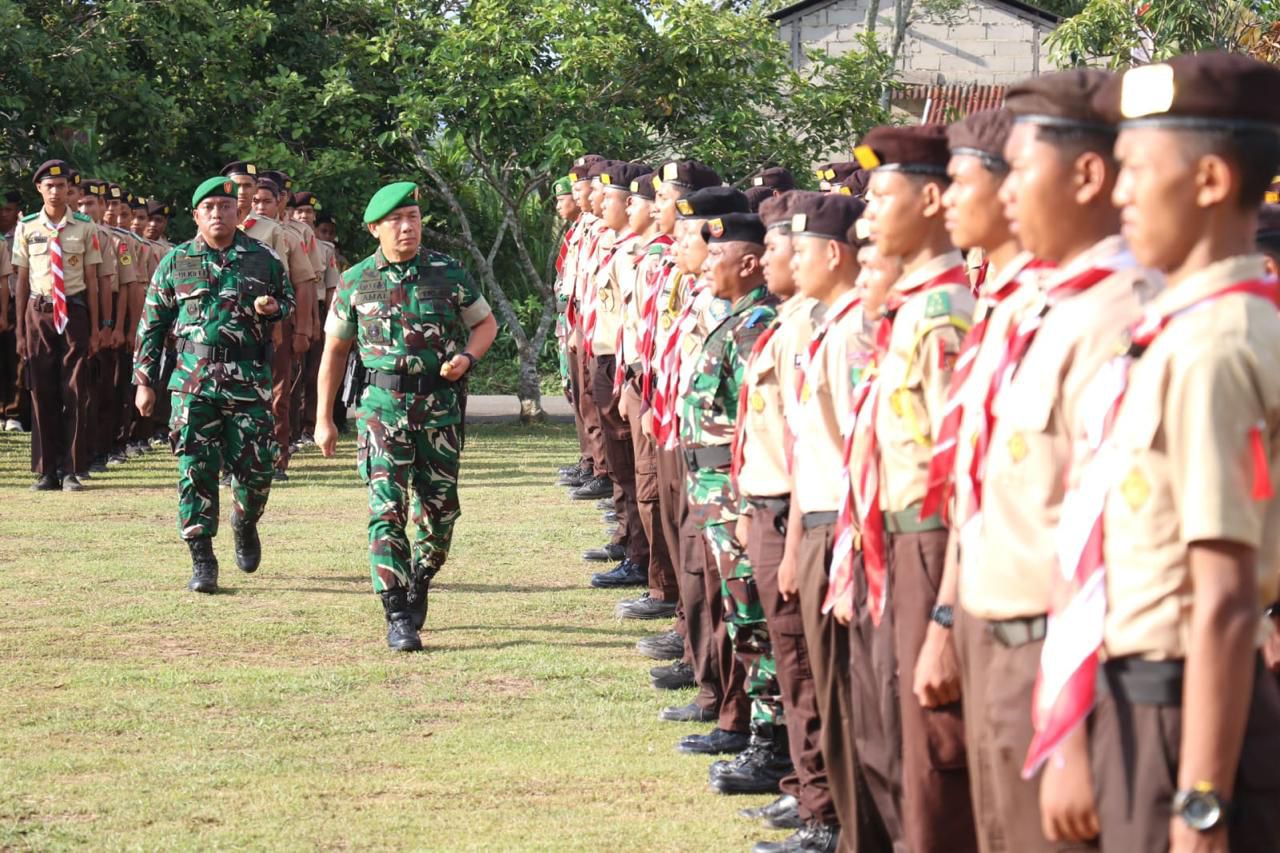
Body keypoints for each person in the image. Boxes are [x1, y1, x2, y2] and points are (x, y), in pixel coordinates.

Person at [1031, 52, 1280, 852]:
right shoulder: (1181, 332)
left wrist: (1201, 798)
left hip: (1184, 712)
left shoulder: (1212, 346)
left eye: (1139, 169)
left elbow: (1224, 596)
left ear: (1209, 180)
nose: (1121, 190)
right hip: (1149, 697)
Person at [856, 124, 979, 853]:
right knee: (900, 738)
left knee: (936, 751)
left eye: (882, 197)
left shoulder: (945, 315)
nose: (868, 216)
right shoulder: (912, 309)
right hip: (897, 537)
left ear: (931, 200)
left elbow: (962, 471)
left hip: (934, 540)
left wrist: (945, 605)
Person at [315, 181, 497, 652]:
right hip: (381, 412)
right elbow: (333, 353)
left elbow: (485, 323)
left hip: (439, 411)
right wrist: (325, 418)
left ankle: (421, 574)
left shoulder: (446, 271)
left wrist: (468, 359)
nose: (406, 227)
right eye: (396, 220)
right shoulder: (355, 281)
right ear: (376, 228)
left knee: (440, 513)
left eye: (413, 218)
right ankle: (396, 610)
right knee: (386, 508)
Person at [133, 176, 294, 593]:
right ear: (196, 215)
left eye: (225, 206)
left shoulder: (263, 258)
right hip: (192, 382)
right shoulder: (176, 261)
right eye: (209, 208)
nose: (218, 214)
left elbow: (288, 301)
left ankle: (245, 521)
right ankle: (202, 557)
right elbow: (152, 325)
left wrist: (275, 307)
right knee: (195, 470)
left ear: (237, 212)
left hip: (248, 381)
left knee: (257, 469)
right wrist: (144, 381)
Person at [677, 211, 787, 795]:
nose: (707, 266)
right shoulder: (737, 318)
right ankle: (757, 733)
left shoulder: (755, 324)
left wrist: (742, 500)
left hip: (734, 494)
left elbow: (758, 425)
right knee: (738, 615)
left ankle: (771, 747)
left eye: (717, 258)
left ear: (747, 265)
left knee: (753, 619)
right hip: (713, 491)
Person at [11, 160, 103, 491]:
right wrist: (22, 330)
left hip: (75, 312)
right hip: (39, 312)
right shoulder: (27, 227)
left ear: (68, 190)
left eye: (61, 185)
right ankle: (46, 470)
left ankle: (72, 470)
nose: (55, 191)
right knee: (42, 391)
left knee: (75, 391)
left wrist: (94, 328)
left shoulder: (85, 227)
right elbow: (21, 280)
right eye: (49, 186)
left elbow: (92, 280)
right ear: (39, 189)